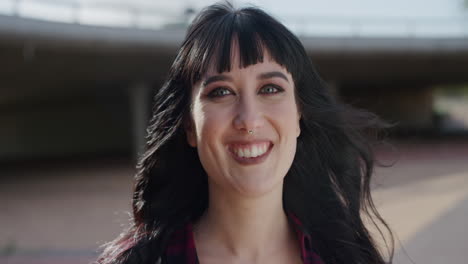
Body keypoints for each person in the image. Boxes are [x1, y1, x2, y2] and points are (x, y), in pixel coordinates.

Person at [96, 2, 393, 264]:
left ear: (300, 113)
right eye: (221, 92)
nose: (249, 120)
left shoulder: (349, 257)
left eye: (270, 89)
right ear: (189, 125)